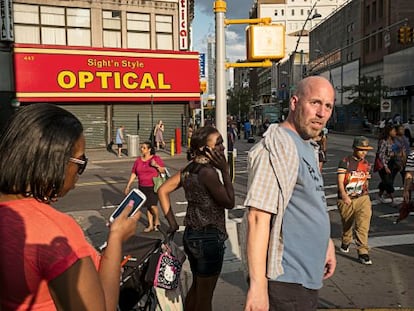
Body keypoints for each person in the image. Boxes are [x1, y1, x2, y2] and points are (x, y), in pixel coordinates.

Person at [0, 103, 140, 310]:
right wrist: (116, 239)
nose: (79, 171)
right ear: (56, 161)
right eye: (81, 162)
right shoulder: (54, 232)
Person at [244, 76, 337, 311]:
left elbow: (308, 202)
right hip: (286, 282)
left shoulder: (307, 146)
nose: (321, 113)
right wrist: (258, 287)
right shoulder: (277, 147)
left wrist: (326, 243)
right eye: (315, 102)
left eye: (328, 106)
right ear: (295, 103)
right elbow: (257, 217)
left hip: (306, 277)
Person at [158, 126, 235, 311]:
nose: (222, 148)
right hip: (208, 238)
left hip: (192, 236)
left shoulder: (189, 169)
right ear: (203, 148)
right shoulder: (208, 173)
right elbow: (230, 202)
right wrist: (225, 171)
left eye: (222, 142)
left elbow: (162, 190)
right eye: (218, 144)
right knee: (205, 297)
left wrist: (173, 222)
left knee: (197, 288)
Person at [337, 136, 373, 265]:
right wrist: (344, 196)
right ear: (354, 149)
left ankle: (363, 252)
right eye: (361, 149)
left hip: (362, 198)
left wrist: (366, 192)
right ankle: (346, 240)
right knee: (347, 223)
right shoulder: (345, 162)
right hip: (347, 199)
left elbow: (367, 180)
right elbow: (340, 181)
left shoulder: (366, 164)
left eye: (366, 150)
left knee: (362, 225)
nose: (364, 152)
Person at [125, 141, 166, 232]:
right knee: (148, 206)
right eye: (141, 147)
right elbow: (134, 173)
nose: (141, 149)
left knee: (152, 205)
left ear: (149, 149)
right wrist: (128, 185)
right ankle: (151, 225)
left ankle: (157, 220)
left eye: (144, 148)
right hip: (142, 186)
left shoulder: (155, 158)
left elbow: (163, 170)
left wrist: (155, 165)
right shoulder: (138, 161)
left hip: (153, 186)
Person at [377, 125, 399, 203]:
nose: (395, 132)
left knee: (385, 181)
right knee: (388, 181)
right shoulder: (383, 141)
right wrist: (385, 167)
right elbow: (381, 155)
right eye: (393, 131)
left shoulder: (393, 141)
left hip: (391, 163)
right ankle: (393, 200)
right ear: (389, 132)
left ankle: (380, 195)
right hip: (384, 164)